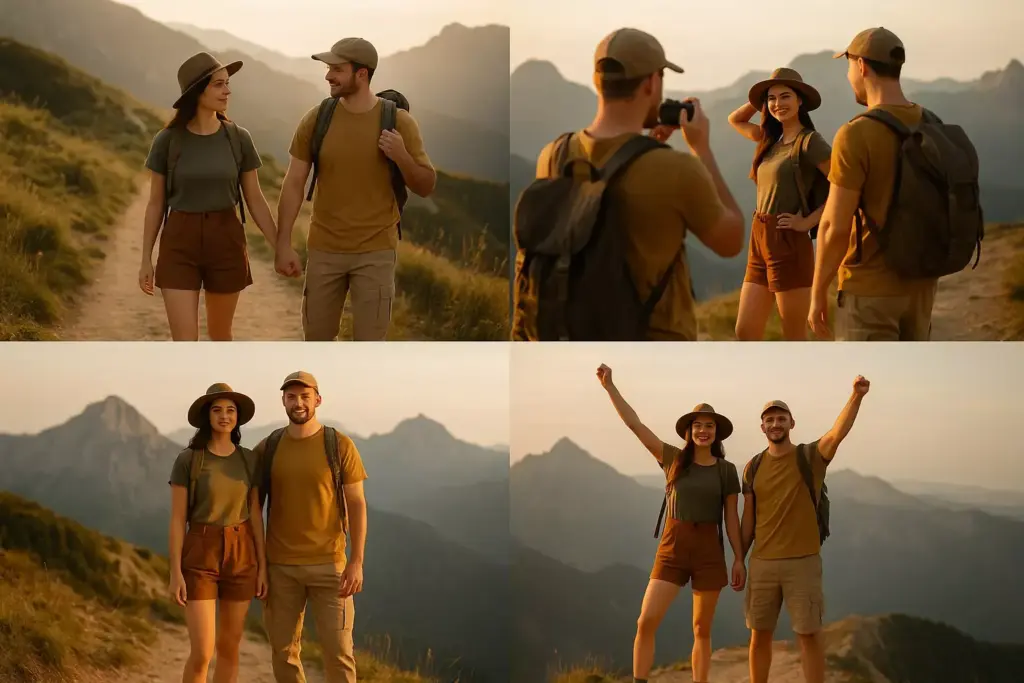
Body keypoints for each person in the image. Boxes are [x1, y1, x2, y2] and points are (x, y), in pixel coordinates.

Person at [514, 28, 745, 341]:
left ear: (598, 82)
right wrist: (701, 150)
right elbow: (731, 241)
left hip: (572, 333)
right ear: (651, 82)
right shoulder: (677, 170)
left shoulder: (553, 155)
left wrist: (642, 148)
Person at [275, 37, 436, 342]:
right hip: (324, 250)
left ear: (362, 74)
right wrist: (283, 244)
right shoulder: (317, 118)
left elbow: (426, 185)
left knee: (369, 347)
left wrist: (401, 155)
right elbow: (294, 182)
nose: (328, 76)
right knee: (317, 341)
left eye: (337, 69)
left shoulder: (400, 122)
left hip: (376, 252)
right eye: (328, 68)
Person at [597, 364, 744, 683]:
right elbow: (635, 425)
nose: (703, 430)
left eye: (709, 426)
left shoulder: (727, 470)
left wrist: (739, 558)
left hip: (708, 549)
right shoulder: (673, 459)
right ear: (689, 431)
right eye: (698, 425)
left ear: (716, 433)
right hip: (672, 546)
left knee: (702, 630)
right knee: (645, 621)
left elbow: (731, 517)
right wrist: (610, 387)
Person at [140, 52, 281, 341]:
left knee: (220, 337)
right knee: (184, 341)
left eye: (227, 83)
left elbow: (254, 197)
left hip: (226, 240)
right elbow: (156, 203)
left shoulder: (238, 138)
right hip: (179, 242)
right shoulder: (167, 141)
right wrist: (145, 258)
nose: (227, 90)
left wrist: (280, 245)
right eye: (218, 84)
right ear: (198, 91)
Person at [809, 28, 937, 341]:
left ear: (862, 66)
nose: (849, 75)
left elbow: (833, 228)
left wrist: (817, 294)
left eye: (849, 66)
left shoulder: (856, 134)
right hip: (922, 288)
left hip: (868, 292)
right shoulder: (932, 122)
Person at [740, 377, 871, 683]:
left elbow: (837, 434)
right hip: (761, 563)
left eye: (781, 418)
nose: (775, 423)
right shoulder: (752, 467)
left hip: (803, 562)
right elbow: (748, 519)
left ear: (791, 423)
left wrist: (856, 395)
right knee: (759, 636)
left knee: (809, 636)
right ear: (762, 427)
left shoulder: (809, 457)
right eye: (769, 419)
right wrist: (738, 559)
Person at [254, 371, 368, 683]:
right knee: (283, 652)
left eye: (305, 396)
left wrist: (356, 561)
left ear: (318, 399)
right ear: (283, 402)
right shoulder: (269, 447)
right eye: (291, 397)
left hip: (331, 568)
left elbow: (357, 504)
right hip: (281, 569)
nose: (298, 402)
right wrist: (260, 565)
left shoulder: (339, 445)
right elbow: (252, 504)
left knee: (339, 653)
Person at [168, 383, 266, 683]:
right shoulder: (189, 459)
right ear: (206, 416)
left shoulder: (250, 460)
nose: (224, 416)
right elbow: (177, 519)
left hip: (242, 555)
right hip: (200, 553)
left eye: (230, 410)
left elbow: (256, 517)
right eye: (217, 409)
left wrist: (262, 567)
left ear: (237, 417)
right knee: (202, 652)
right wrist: (175, 572)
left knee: (229, 649)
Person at [728, 68, 832, 341]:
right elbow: (735, 119)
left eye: (786, 96)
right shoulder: (769, 139)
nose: (778, 104)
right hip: (759, 236)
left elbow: (844, 187)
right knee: (745, 332)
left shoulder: (810, 141)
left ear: (801, 101)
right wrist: (760, 97)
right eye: (772, 99)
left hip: (789, 241)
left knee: (793, 335)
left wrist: (807, 222)